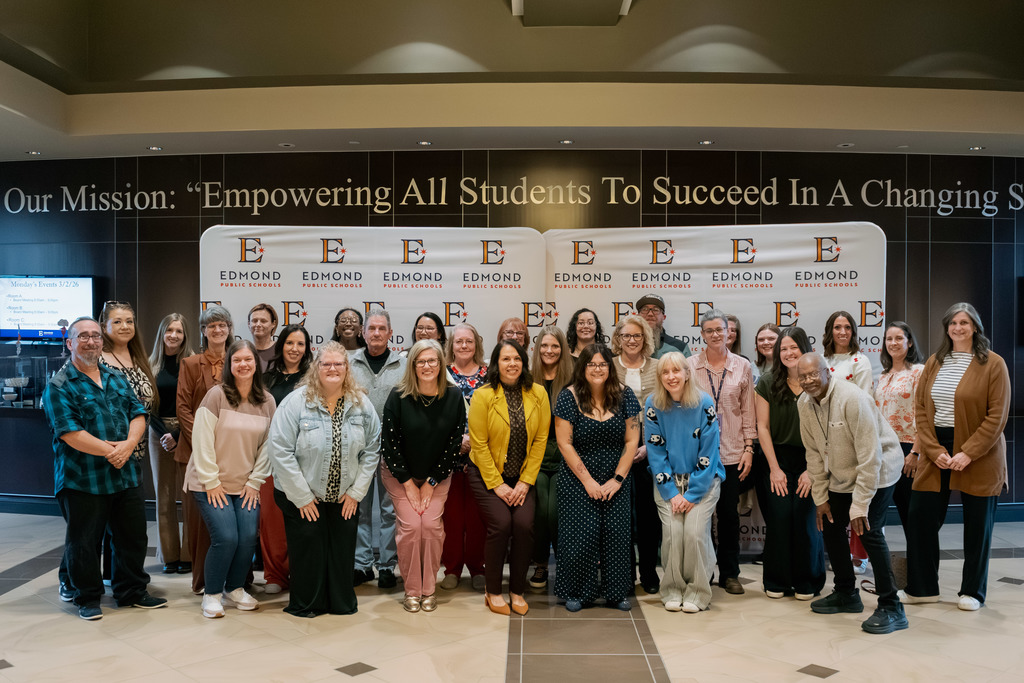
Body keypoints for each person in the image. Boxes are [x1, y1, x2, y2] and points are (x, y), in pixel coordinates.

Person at [43, 317, 167, 620]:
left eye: (96, 336)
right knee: (84, 542)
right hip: (82, 478)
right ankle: (87, 597)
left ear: (102, 342)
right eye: (83, 336)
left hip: (124, 474)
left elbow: (139, 414)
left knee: (133, 537)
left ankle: (131, 591)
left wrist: (127, 446)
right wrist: (114, 450)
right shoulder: (59, 385)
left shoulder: (115, 378)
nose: (91, 341)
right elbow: (69, 432)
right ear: (69, 343)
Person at [902, 303, 1010, 611]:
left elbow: (997, 416)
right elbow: (921, 410)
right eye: (952, 323)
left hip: (980, 451)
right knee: (920, 517)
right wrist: (934, 451)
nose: (958, 328)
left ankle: (973, 592)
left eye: (964, 322)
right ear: (946, 328)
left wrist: (968, 452)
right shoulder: (935, 362)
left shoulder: (993, 363)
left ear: (975, 327)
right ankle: (922, 589)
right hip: (937, 447)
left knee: (978, 525)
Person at [267, 342, 382, 617]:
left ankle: (340, 603)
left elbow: (372, 448)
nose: (332, 369)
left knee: (341, 551)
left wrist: (356, 493)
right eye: (326, 364)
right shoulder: (296, 402)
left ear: (347, 369)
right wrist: (303, 497)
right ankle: (308, 604)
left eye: (338, 364)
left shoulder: (361, 404)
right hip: (302, 495)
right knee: (309, 550)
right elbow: (279, 449)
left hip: (345, 496)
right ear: (316, 368)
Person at [797, 353, 907, 634]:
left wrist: (860, 505)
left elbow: (871, 457)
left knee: (869, 529)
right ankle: (846, 593)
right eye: (803, 376)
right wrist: (820, 498)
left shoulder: (853, 398)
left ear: (827, 372)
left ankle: (892, 606)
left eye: (813, 374)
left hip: (879, 470)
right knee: (832, 524)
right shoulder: (804, 404)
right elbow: (813, 454)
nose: (808, 381)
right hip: (843, 472)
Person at [185, 339, 276, 618]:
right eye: (237, 360)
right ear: (229, 365)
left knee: (248, 536)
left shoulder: (267, 401)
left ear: (256, 364)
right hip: (209, 482)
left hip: (245, 484)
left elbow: (269, 447)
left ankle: (235, 588)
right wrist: (212, 482)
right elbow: (201, 441)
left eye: (248, 360)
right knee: (226, 537)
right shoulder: (216, 395)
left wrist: (255, 481)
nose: (243, 365)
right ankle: (212, 594)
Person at [380, 340, 466, 612]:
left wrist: (430, 483)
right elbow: (390, 446)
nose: (427, 366)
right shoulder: (398, 396)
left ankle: (428, 589)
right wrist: (409, 484)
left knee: (429, 527)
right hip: (398, 474)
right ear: (413, 366)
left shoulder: (453, 396)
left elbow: (454, 444)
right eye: (421, 362)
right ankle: (412, 590)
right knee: (410, 528)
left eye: (432, 361)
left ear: (441, 365)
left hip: (437, 475)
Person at [554, 344, 641, 612]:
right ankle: (578, 592)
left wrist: (617, 479)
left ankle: (616, 592)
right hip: (578, 478)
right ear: (582, 368)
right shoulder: (567, 397)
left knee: (617, 534)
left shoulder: (626, 396)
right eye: (591, 364)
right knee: (580, 535)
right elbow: (564, 443)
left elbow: (632, 440)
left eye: (602, 364)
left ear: (610, 368)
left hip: (617, 477)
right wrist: (588, 481)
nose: (597, 369)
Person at [468, 340, 551, 616]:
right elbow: (478, 445)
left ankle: (517, 590)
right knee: (502, 525)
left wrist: (526, 482)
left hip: (522, 478)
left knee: (525, 525)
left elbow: (540, 440)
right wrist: (498, 485)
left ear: (523, 362)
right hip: (485, 475)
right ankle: (492, 591)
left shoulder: (538, 393)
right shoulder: (483, 396)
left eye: (517, 358)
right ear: (496, 363)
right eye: (505, 359)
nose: (512, 364)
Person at [644, 352, 724, 613]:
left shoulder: (703, 402)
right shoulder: (653, 404)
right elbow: (655, 453)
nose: (671, 377)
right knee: (673, 534)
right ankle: (673, 589)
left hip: (702, 483)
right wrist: (671, 493)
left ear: (687, 373)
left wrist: (692, 494)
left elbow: (709, 452)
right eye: (665, 372)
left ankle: (699, 590)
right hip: (668, 484)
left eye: (676, 371)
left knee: (693, 533)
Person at [687, 309, 756, 595]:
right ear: (702, 335)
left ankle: (730, 573)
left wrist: (749, 447)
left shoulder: (742, 366)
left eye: (720, 330)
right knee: (700, 518)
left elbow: (748, 411)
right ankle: (704, 570)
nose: (716, 335)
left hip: (731, 453)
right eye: (709, 330)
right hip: (698, 454)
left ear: (729, 332)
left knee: (728, 516)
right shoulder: (690, 366)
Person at [754, 327, 825, 600]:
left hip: (812, 459)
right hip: (776, 459)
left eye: (793, 347)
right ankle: (777, 580)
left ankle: (808, 581)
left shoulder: (818, 382)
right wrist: (774, 469)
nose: (788, 353)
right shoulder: (767, 381)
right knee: (780, 520)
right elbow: (762, 427)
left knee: (807, 522)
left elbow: (826, 430)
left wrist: (812, 469)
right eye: (783, 348)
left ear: (804, 348)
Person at [177, 305, 234, 594]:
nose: (217, 330)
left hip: (234, 455)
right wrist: (204, 443)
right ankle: (202, 582)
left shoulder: (238, 361)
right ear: (203, 331)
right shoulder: (190, 364)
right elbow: (183, 408)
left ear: (229, 328)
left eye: (222, 324)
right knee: (200, 524)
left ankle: (234, 582)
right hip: (195, 455)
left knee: (232, 524)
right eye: (211, 325)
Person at [349, 309, 406, 589]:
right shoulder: (349, 363)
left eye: (382, 329)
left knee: (389, 509)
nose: (376, 334)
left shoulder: (403, 365)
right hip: (357, 447)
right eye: (371, 328)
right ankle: (361, 565)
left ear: (390, 333)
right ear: (363, 332)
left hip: (393, 448)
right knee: (358, 506)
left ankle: (386, 565)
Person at [259, 323, 314, 594]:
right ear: (280, 346)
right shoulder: (267, 379)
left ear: (307, 349)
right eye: (290, 343)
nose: (295, 349)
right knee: (272, 518)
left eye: (300, 344)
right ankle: (275, 575)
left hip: (307, 458)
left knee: (303, 515)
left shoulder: (313, 378)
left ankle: (302, 570)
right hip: (271, 456)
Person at [610, 315, 661, 594]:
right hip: (615, 451)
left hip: (649, 451)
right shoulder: (607, 367)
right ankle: (624, 573)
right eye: (626, 336)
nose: (631, 341)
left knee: (648, 517)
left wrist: (648, 446)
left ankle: (649, 572)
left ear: (646, 339)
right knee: (620, 518)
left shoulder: (658, 367)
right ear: (618, 339)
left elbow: (665, 409)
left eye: (637, 336)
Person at [440, 323, 488, 591]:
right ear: (451, 345)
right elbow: (435, 414)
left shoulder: (489, 374)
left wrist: (476, 442)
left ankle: (477, 567)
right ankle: (452, 569)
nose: (464, 346)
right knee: (453, 517)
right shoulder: (441, 374)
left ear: (476, 344)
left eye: (469, 341)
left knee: (478, 517)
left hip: (482, 458)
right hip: (450, 457)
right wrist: (457, 441)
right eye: (459, 342)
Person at [148, 313, 196, 575]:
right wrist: (163, 433)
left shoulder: (191, 363)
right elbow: (145, 406)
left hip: (186, 432)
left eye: (178, 330)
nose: (174, 335)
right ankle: (170, 556)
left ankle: (188, 555)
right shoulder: (149, 365)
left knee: (188, 495)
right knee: (163, 496)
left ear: (184, 334)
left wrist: (177, 435)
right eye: (169, 330)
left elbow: (194, 402)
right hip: (157, 434)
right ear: (162, 334)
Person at [527, 325, 574, 589]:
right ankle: (541, 564)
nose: (549, 350)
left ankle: (565, 565)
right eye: (544, 345)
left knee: (556, 512)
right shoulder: (527, 378)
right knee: (540, 513)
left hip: (565, 456)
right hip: (534, 456)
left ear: (563, 349)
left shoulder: (573, 378)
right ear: (537, 349)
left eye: (555, 346)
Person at [874, 321, 924, 529]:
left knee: (912, 515)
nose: (893, 343)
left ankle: (918, 562)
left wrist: (916, 452)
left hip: (908, 448)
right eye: (889, 339)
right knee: (879, 512)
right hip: (885, 448)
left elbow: (925, 414)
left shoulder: (919, 372)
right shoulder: (883, 376)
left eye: (898, 338)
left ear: (910, 342)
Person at [99, 301, 156, 460]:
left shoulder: (140, 359)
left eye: (129, 321)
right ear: (104, 327)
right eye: (117, 322)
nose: (125, 326)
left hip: (136, 452)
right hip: (108, 452)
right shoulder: (96, 360)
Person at [823, 310, 872, 393]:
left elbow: (866, 398)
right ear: (830, 331)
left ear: (852, 332)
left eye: (847, 327)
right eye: (837, 327)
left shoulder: (861, 361)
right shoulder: (820, 361)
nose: (843, 332)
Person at [635, 293, 691, 359]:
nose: (650, 314)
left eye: (656, 310)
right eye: (645, 309)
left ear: (664, 317)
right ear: (637, 316)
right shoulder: (628, 346)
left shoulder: (680, 348)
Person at [248, 303, 279, 371]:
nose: (258, 324)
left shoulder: (281, 350)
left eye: (263, 321)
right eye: (254, 321)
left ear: (273, 324)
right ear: (249, 324)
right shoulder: (244, 351)